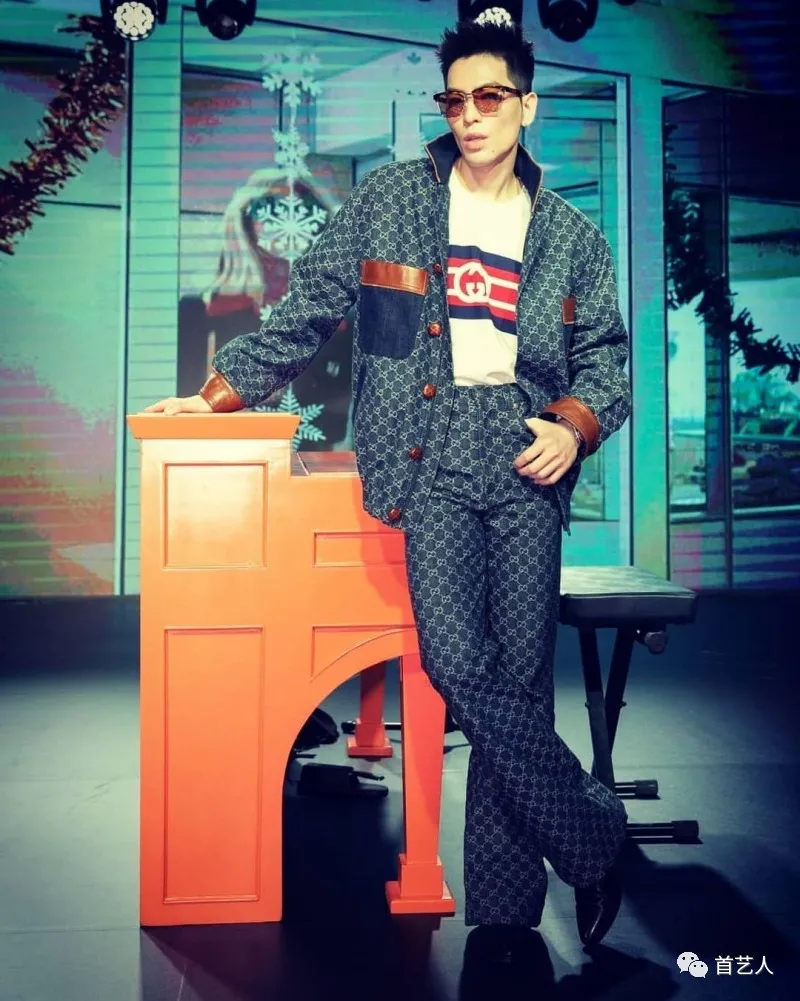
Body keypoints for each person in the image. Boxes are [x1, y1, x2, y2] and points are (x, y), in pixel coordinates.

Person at [146, 0, 631, 964]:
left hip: (525, 451)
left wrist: (573, 426)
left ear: (527, 106)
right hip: (427, 451)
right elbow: (309, 308)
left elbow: (606, 360)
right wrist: (216, 392)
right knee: (456, 662)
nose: (471, 115)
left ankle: (503, 912)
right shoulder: (393, 201)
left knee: (518, 681)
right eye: (456, 100)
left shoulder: (572, 235)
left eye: (490, 98)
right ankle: (592, 834)